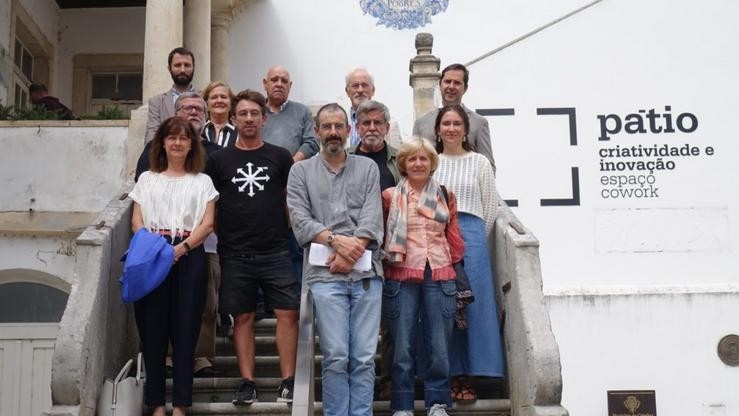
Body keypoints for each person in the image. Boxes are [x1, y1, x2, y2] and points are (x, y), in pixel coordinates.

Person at [287, 103, 384, 416]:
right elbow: (299, 219)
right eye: (326, 126)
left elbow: (373, 216)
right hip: (324, 277)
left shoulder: (367, 168)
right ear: (316, 132)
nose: (332, 132)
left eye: (338, 126)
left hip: (367, 275)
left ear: (348, 129)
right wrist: (335, 241)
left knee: (365, 356)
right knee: (337, 355)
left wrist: (351, 253)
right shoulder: (300, 171)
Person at [205, 89, 298, 405]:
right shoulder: (218, 160)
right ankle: (247, 382)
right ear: (233, 118)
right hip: (235, 253)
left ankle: (288, 381)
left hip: (275, 250)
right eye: (242, 114)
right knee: (242, 317)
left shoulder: (280, 156)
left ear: (264, 117)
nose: (248, 119)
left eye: (254, 113)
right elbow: (211, 207)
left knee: (287, 313)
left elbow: (290, 199)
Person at [128, 116, 218, 416]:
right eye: (172, 138)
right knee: (153, 332)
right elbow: (136, 221)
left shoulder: (202, 181)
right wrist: (155, 249)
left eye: (184, 138)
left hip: (190, 256)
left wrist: (180, 249)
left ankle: (180, 405)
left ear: (192, 144)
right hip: (152, 256)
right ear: (162, 143)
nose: (178, 143)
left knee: (185, 330)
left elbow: (207, 224)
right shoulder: (147, 179)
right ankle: (155, 404)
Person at [382, 137, 464, 416]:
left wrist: (457, 271)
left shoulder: (445, 194)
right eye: (412, 158)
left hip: (439, 273)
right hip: (400, 274)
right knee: (402, 345)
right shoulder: (390, 196)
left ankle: (437, 403)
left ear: (432, 163)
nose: (418, 163)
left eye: (423, 158)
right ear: (403, 163)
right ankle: (402, 405)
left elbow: (454, 238)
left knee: (439, 345)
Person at [432, 104, 504, 402]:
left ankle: (471, 375)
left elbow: (490, 206)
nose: (451, 129)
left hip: (471, 237)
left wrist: (470, 238)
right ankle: (449, 374)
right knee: (442, 307)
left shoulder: (479, 163)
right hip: (435, 236)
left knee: (473, 307)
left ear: (465, 129)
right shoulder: (431, 161)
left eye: (456, 124)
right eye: (445, 124)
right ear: (437, 129)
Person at [261, 65, 319, 299]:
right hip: (262, 187)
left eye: (284, 80)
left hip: (294, 188)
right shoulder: (256, 112)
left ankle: (294, 298)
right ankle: (263, 300)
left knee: (294, 244)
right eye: (274, 79)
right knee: (264, 244)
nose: (279, 83)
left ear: (290, 85)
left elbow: (311, 143)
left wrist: (289, 163)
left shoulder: (302, 112)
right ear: (264, 83)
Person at [413, 63, 496, 173]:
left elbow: (489, 167)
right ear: (440, 84)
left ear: (465, 88)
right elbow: (412, 160)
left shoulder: (479, 122)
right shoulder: (421, 123)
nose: (451, 86)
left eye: (457, 83)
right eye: (447, 81)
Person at [145, 47, 195, 143]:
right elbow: (151, 140)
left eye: (187, 65)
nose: (182, 70)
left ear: (193, 68)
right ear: (169, 69)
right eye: (177, 65)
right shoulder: (157, 102)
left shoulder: (205, 99)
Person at [345, 68, 402, 149]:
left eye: (364, 85)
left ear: (373, 90)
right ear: (347, 91)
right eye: (355, 86)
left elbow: (397, 157)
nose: (360, 90)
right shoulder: (338, 125)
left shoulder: (392, 124)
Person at [201, 81, 238, 147]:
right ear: (206, 103)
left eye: (223, 97)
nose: (219, 100)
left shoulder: (240, 132)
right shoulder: (198, 131)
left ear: (231, 103)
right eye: (214, 97)